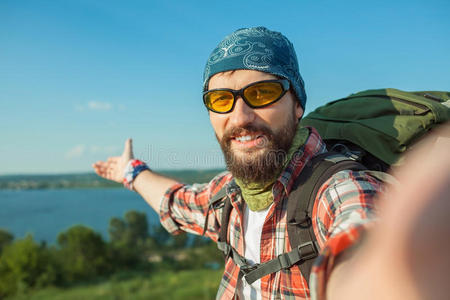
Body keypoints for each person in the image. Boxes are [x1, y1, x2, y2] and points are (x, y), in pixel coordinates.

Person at [93, 27, 383, 299]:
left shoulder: (336, 191)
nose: (241, 117)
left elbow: (367, 239)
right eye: (221, 100)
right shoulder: (230, 195)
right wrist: (130, 171)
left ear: (297, 104)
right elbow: (177, 202)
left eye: (262, 93)